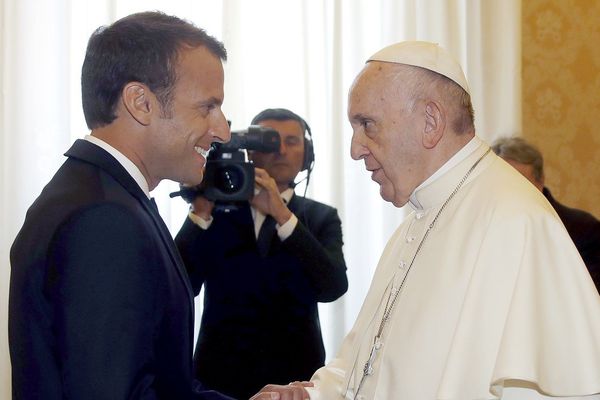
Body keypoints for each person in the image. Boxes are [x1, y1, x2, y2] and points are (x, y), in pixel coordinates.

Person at [256, 41, 600, 400]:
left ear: (430, 122)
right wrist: (312, 395)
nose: (355, 149)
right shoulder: (417, 221)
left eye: (367, 124)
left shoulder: (515, 221)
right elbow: (371, 361)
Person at [9, 11, 259, 400]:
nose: (223, 130)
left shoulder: (103, 195)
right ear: (140, 103)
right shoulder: (103, 219)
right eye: (207, 107)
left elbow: (154, 382)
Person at [175, 108, 348, 400]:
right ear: (249, 151)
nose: (280, 150)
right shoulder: (216, 211)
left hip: (295, 381)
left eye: (292, 141)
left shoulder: (320, 218)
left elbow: (332, 287)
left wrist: (282, 216)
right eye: (269, 141)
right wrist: (201, 210)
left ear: (307, 155)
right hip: (217, 380)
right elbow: (180, 284)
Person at [492, 136, 600, 292]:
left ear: (540, 181)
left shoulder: (583, 229)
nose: (512, 189)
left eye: (520, 181)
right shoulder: (484, 227)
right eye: (504, 181)